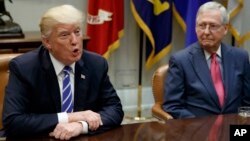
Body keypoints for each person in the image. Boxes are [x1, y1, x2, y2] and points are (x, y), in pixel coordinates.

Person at [2, 4, 124, 140]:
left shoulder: (96, 64)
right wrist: (71, 117)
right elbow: (13, 122)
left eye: (77, 32)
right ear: (47, 42)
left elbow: (115, 110)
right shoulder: (24, 68)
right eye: (64, 35)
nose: (75, 41)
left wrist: (80, 125)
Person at [162, 1, 250, 119]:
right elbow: (172, 106)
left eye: (213, 26)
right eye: (202, 26)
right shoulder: (181, 61)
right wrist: (201, 125)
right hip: (198, 130)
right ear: (195, 27)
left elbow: (247, 102)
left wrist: (242, 126)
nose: (206, 32)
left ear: (225, 29)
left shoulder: (240, 57)